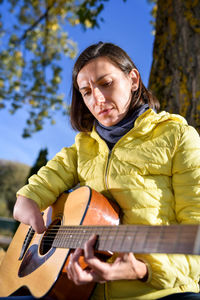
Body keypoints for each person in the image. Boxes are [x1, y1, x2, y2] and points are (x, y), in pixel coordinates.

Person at [12, 42, 200, 300]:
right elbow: (41, 184)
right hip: (83, 294)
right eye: (86, 91)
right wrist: (27, 199)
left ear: (133, 79)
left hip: (163, 293)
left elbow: (196, 234)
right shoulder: (82, 147)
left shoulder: (178, 136)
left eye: (106, 83)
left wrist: (143, 271)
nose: (97, 99)